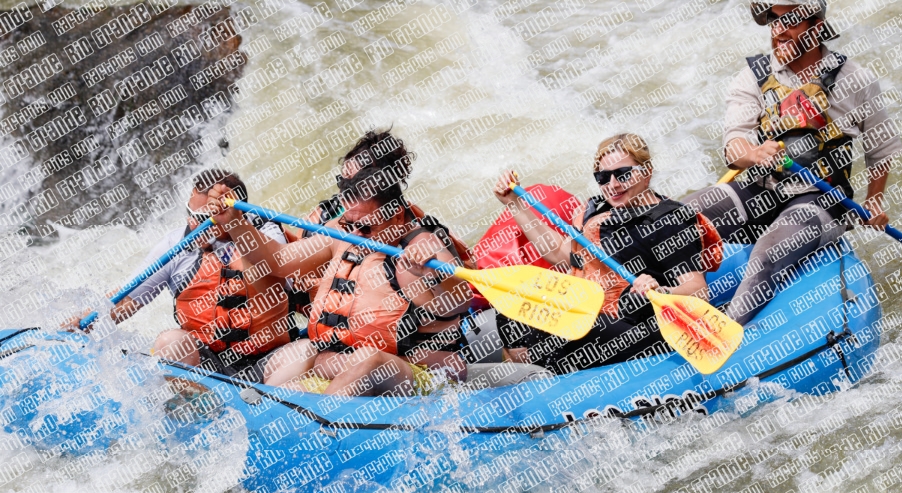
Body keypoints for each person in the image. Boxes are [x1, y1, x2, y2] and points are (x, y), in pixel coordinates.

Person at [683, 0, 902, 325]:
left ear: (816, 26)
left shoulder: (856, 80)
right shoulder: (752, 77)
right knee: (679, 219)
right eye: (774, 20)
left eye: (793, 21)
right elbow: (734, 145)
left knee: (765, 256)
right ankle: (679, 307)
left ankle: (725, 334)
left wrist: (874, 202)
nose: (779, 30)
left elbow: (881, 148)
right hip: (762, 188)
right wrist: (755, 154)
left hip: (822, 201)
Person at [236, 129, 474, 397]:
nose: (355, 234)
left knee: (369, 359)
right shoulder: (346, 232)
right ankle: (306, 419)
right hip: (346, 380)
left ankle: (323, 428)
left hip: (423, 380)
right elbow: (277, 261)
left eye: (364, 227)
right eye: (350, 224)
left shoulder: (422, 246)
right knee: (289, 377)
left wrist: (435, 272)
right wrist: (233, 221)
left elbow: (461, 297)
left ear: (395, 216)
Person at [492, 133, 722, 374]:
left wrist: (661, 290)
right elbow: (560, 253)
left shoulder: (668, 221)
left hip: (640, 326)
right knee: (509, 306)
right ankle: (530, 385)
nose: (612, 185)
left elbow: (698, 289)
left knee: (571, 330)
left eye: (623, 174)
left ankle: (555, 379)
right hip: (596, 311)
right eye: (603, 177)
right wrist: (514, 204)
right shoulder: (599, 211)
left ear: (647, 172)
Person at [67, 170, 293, 381]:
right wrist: (87, 322)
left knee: (303, 350)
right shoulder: (176, 245)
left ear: (234, 212)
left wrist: (236, 227)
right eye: (189, 213)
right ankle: (191, 403)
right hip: (206, 359)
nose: (192, 223)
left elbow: (276, 271)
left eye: (204, 217)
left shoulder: (267, 233)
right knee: (170, 341)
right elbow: (127, 299)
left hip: (267, 357)